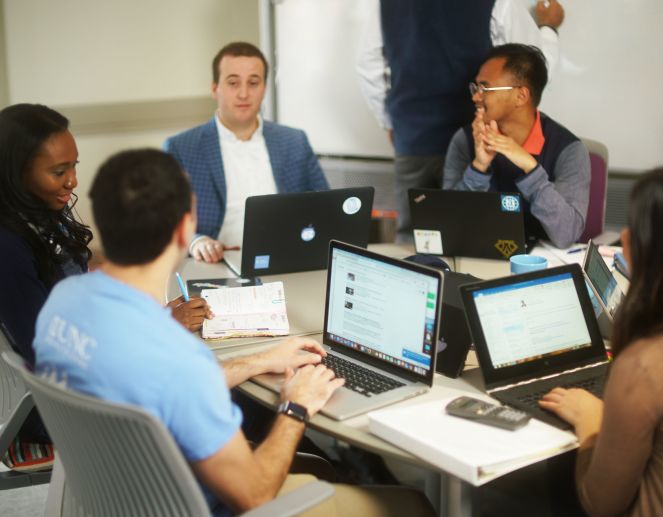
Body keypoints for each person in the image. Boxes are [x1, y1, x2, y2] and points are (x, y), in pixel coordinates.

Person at [33, 149, 434, 516]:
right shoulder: (177, 359)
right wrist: (296, 405)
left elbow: (163, 385)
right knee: (413, 502)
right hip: (210, 502)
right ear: (182, 231)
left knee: (319, 466)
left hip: (122, 491)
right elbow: (254, 495)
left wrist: (261, 360)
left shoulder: (63, 303)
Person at [0, 104, 210, 458]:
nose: (73, 181)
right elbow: (58, 352)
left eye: (74, 166)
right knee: (205, 387)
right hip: (63, 407)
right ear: (15, 174)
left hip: (75, 382)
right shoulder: (8, 247)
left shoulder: (40, 216)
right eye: (58, 171)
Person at [540, 164, 663, 516]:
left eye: (637, 228)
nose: (625, 236)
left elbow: (600, 504)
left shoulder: (649, 365)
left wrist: (592, 425)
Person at [357, 0, 565, 243]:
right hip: (479, 144)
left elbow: (368, 65)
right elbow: (535, 68)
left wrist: (390, 123)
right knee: (475, 240)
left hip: (415, 140)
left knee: (415, 239)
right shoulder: (499, 3)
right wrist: (549, 28)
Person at [164, 41, 329, 263]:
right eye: (233, 83)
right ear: (215, 88)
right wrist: (196, 241)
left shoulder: (294, 141)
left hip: (289, 259)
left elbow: (326, 208)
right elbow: (164, 222)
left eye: (253, 83)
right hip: (215, 264)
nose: (244, 94)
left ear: (265, 88)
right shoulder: (182, 148)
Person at [443, 44, 589, 248]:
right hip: (479, 257)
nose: (475, 97)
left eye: (484, 88)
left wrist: (530, 168)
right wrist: (478, 167)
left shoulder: (568, 149)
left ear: (521, 96)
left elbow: (566, 234)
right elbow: (446, 227)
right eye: (475, 88)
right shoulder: (466, 140)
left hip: (541, 265)